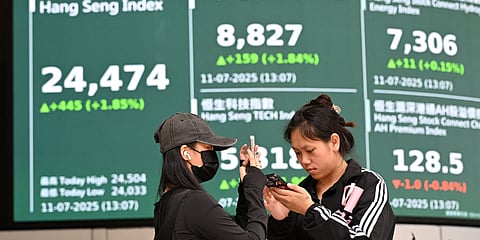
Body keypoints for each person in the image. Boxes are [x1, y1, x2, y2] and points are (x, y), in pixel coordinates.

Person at [264, 94, 395, 240]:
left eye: (310, 150)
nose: (304, 160)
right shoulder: (302, 193)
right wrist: (281, 220)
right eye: (297, 153)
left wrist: (310, 210)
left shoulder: (368, 184)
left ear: (334, 142)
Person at [152, 112, 267, 240]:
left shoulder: (167, 202)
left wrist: (246, 189)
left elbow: (235, 231)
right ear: (185, 152)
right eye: (207, 147)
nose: (212, 154)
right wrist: (255, 189)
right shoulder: (193, 201)